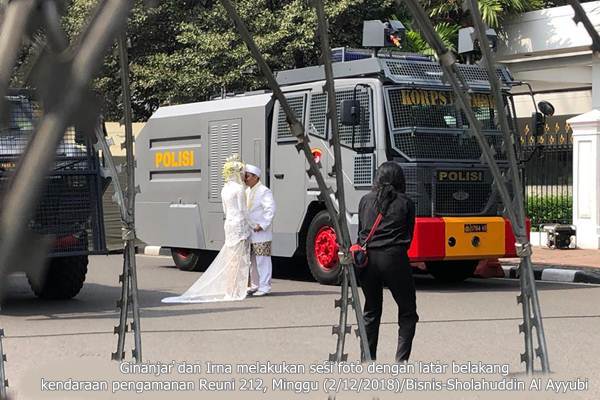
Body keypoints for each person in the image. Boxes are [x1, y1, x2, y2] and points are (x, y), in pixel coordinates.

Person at [162, 154, 252, 303]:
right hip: (239, 224)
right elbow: (243, 210)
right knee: (238, 258)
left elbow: (225, 210)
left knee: (231, 257)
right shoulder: (239, 189)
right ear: (237, 173)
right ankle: (236, 289)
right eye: (241, 172)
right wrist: (250, 224)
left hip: (229, 224)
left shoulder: (225, 189)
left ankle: (230, 288)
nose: (243, 175)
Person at [357, 161, 418, 362]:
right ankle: (400, 361)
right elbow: (409, 234)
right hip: (394, 257)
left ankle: (367, 358)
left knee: (371, 310)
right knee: (407, 311)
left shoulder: (365, 200)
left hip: (367, 261)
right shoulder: (406, 202)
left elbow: (361, 232)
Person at [244, 164, 276, 296]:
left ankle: (265, 286)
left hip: (261, 232)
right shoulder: (247, 191)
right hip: (249, 232)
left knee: (263, 260)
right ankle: (255, 285)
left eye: (248, 176)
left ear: (256, 177)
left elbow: (270, 209)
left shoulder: (264, 191)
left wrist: (262, 225)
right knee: (252, 260)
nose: (245, 179)